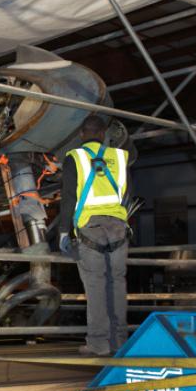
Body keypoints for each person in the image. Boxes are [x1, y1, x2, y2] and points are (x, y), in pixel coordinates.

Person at [58, 115, 133, 356]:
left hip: (90, 229)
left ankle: (99, 344)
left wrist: (63, 232)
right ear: (103, 134)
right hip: (118, 227)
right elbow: (127, 195)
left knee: (96, 286)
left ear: (82, 135)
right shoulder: (120, 157)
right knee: (117, 284)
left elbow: (69, 198)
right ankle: (120, 341)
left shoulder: (75, 158)